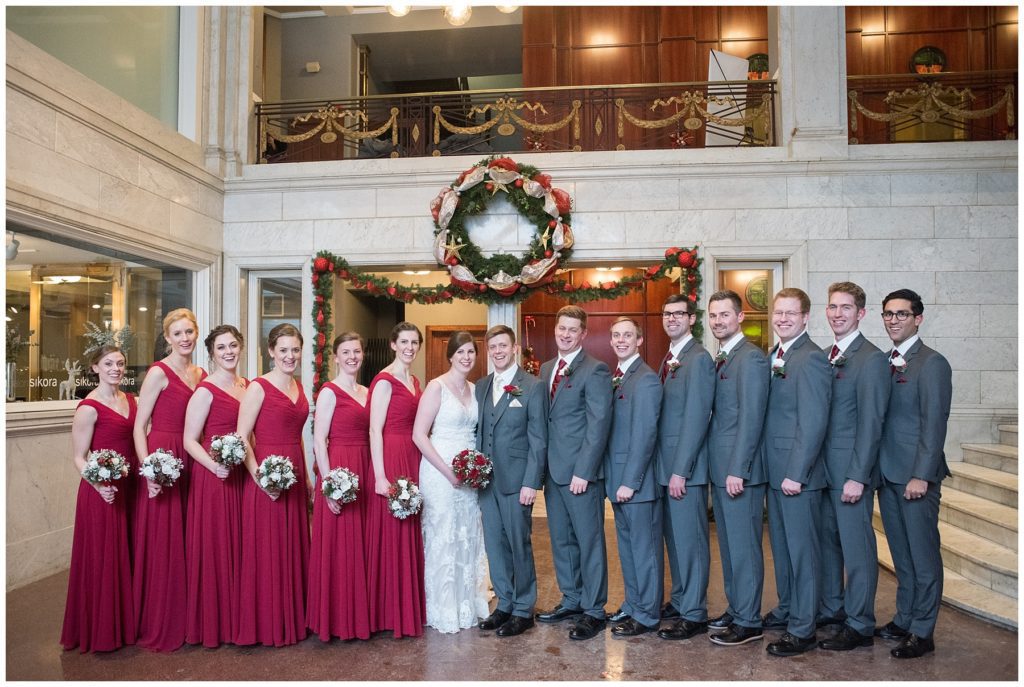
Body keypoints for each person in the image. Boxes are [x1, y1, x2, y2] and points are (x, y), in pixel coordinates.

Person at [876, 288, 951, 659]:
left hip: (916, 477)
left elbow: (934, 424)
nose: (894, 320)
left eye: (901, 314)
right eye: (888, 314)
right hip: (888, 474)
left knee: (923, 557)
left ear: (918, 318)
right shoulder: (885, 361)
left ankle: (923, 631)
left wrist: (921, 474)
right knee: (901, 557)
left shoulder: (932, 363)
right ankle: (904, 618)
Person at [817, 282, 890, 652]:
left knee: (857, 548)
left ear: (861, 313)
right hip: (822, 471)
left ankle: (860, 622)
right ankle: (833, 610)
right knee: (828, 545)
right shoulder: (825, 355)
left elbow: (872, 424)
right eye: (833, 307)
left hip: (850, 473)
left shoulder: (871, 359)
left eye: (846, 307)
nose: (838, 314)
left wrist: (858, 476)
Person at [760, 288, 831, 657]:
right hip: (774, 472)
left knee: (803, 553)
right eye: (779, 312)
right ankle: (788, 607)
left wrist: (797, 473)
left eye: (791, 313)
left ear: (805, 317)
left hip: (796, 476)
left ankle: (803, 628)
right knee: (784, 549)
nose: (783, 319)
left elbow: (814, 421)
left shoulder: (812, 358)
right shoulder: (775, 354)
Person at [535, 305, 612, 641]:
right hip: (553, 472)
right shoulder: (546, 368)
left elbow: (599, 424)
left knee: (589, 542)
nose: (565, 334)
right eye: (561, 328)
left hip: (581, 474)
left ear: (583, 334)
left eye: (572, 330)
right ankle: (572, 599)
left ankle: (594, 610)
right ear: (555, 329)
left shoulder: (595, 370)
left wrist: (585, 470)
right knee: (562, 541)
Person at [132, 308, 205, 652]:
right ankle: (162, 617)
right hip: (164, 458)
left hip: (193, 457)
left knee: (191, 536)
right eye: (177, 333)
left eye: (189, 332)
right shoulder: (158, 373)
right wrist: (149, 470)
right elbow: (139, 426)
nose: (184, 338)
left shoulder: (202, 373)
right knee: (166, 539)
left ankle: (192, 616)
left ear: (196, 333)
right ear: (167, 338)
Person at [235, 323, 310, 647]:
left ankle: (294, 618)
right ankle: (268, 623)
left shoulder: (299, 386)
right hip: (266, 476)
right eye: (283, 350)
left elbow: (298, 436)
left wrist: (307, 478)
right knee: (269, 550)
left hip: (294, 474)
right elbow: (242, 438)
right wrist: (261, 478)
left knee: (293, 546)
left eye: (295, 350)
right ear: (271, 352)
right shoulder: (258, 387)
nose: (290, 356)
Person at [61, 345, 137, 653]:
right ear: (95, 368)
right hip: (103, 490)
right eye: (108, 364)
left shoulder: (130, 399)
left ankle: (129, 623)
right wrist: (99, 484)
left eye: (120, 363)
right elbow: (79, 457)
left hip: (131, 486)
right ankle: (103, 629)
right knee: (105, 557)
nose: (115, 369)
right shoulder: (88, 407)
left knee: (129, 551)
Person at [412, 330, 490, 633]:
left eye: (471, 352)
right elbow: (419, 435)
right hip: (439, 470)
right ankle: (442, 607)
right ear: (451, 356)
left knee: (467, 534)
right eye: (461, 352)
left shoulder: (475, 388)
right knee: (444, 534)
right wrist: (448, 472)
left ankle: (466, 602)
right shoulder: (436, 387)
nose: (466, 357)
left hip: (468, 475)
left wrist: (475, 470)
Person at [704, 290, 769, 647]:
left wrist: (738, 469)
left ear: (740, 317)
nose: (718, 321)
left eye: (724, 314)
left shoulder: (751, 358)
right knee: (729, 548)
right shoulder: (724, 356)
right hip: (722, 468)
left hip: (738, 472)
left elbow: (752, 417)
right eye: (713, 315)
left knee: (744, 548)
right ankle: (736, 607)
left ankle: (749, 620)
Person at [474, 325, 546, 638]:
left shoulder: (532, 385)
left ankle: (523, 609)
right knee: (495, 545)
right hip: (486, 482)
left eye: (503, 346)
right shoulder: (481, 386)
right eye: (493, 347)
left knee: (519, 544)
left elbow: (539, 438)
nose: (498, 351)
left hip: (517, 481)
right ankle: (504, 603)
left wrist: (531, 482)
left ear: (514, 348)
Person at [654, 295, 716, 642]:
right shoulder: (671, 357)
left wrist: (681, 471)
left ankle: (694, 613)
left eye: (679, 313)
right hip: (666, 468)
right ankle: (680, 600)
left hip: (684, 472)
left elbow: (697, 418)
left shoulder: (699, 359)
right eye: (667, 313)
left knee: (690, 542)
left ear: (692, 319)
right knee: (675, 541)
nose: (672, 318)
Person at [182, 324, 247, 647]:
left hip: (241, 475)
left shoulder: (247, 385)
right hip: (214, 477)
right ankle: (216, 623)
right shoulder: (205, 391)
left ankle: (241, 617)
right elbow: (189, 440)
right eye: (221, 348)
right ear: (211, 354)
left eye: (232, 345)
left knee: (241, 544)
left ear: (241, 347)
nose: (228, 352)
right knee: (218, 546)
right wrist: (214, 466)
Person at [307, 332, 372, 641]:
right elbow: (319, 440)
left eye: (356, 351)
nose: (352, 357)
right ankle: (337, 620)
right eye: (345, 352)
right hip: (340, 468)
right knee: (340, 545)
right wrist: (330, 484)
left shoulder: (366, 391)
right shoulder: (329, 392)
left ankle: (360, 615)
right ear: (335, 357)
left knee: (360, 542)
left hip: (364, 465)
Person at [366, 321, 427, 638]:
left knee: (411, 528)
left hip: (412, 456)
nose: (409, 348)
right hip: (391, 455)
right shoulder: (384, 381)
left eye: (414, 342)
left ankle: (409, 606)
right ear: (393, 344)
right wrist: (379, 475)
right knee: (393, 531)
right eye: (404, 342)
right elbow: (374, 429)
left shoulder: (414, 381)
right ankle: (389, 612)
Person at [604, 318, 663, 637]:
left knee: (644, 552)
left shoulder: (646, 379)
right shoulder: (618, 376)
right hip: (617, 480)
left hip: (636, 484)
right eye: (616, 335)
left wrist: (630, 481)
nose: (621, 340)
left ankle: (648, 614)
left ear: (639, 340)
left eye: (628, 335)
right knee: (627, 550)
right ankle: (634, 603)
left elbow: (645, 434)